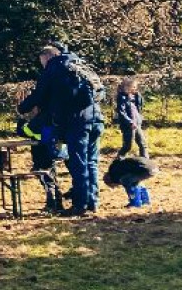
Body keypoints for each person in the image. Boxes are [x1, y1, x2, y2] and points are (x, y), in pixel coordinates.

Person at [18, 44, 105, 216]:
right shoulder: (79, 64)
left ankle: (80, 205)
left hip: (77, 121)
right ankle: (93, 202)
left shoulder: (54, 67)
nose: (43, 67)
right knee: (91, 162)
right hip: (96, 117)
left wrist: (22, 108)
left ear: (47, 58)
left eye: (43, 63)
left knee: (78, 162)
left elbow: (40, 95)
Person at [116, 78, 148, 158]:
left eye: (135, 87)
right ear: (126, 87)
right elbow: (121, 112)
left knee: (142, 143)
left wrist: (138, 95)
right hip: (129, 126)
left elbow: (140, 106)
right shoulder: (122, 98)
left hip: (137, 124)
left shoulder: (134, 97)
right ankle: (119, 159)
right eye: (132, 87)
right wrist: (129, 122)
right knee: (128, 146)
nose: (134, 89)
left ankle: (145, 161)